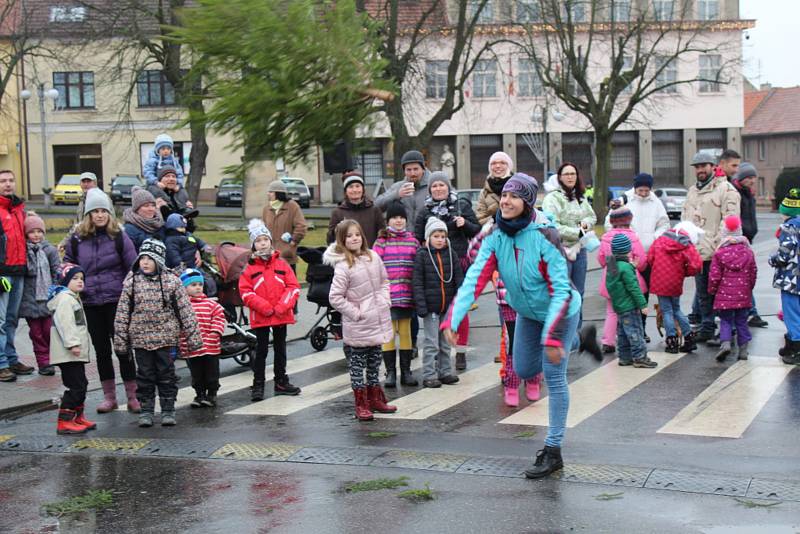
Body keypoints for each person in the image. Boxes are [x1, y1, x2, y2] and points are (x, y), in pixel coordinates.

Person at [443, 173, 601, 479]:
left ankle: (553, 451)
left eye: (514, 196)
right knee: (526, 369)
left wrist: (554, 338)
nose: (506, 200)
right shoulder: (496, 235)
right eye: (504, 196)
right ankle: (581, 340)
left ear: (527, 202)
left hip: (562, 309)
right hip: (528, 313)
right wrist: (454, 316)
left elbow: (561, 289)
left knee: (553, 375)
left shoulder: (545, 235)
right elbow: (475, 277)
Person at [64, 188, 140, 412]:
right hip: (89, 302)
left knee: (123, 348)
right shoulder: (77, 238)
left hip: (116, 300)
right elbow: (67, 265)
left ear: (109, 213)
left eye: (103, 211)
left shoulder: (119, 236)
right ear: (88, 214)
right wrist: (73, 281)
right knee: (102, 351)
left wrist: (129, 292)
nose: (99, 215)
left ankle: (133, 396)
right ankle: (110, 397)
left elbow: (133, 267)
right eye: (95, 211)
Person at [114, 239, 202, 427]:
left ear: (159, 260)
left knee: (166, 374)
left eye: (149, 258)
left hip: (166, 338)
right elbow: (122, 313)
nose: (144, 262)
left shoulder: (172, 282)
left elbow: (185, 310)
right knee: (145, 375)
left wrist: (193, 336)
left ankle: (168, 409)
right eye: (142, 258)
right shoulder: (132, 283)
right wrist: (121, 340)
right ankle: (146, 410)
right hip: (140, 339)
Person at [326, 219, 397, 421]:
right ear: (342, 240)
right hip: (358, 326)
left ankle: (376, 398)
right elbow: (335, 297)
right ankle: (361, 403)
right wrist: (356, 313)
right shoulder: (343, 266)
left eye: (357, 234)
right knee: (358, 367)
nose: (354, 238)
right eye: (349, 236)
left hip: (377, 321)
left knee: (375, 363)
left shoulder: (373, 256)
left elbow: (384, 281)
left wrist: (384, 301)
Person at [414, 171, 479, 369]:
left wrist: (464, 223)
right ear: (430, 189)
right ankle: (438, 351)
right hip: (433, 264)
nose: (438, 189)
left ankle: (460, 351)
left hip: (458, 260)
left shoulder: (461, 205)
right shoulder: (425, 211)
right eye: (434, 186)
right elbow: (418, 237)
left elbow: (476, 229)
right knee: (438, 306)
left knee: (460, 306)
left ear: (448, 187)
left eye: (442, 185)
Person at [681, 151, 741, 344]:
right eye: (697, 167)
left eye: (703, 166)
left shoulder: (725, 189)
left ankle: (726, 330)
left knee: (720, 293)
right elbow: (686, 218)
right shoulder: (692, 191)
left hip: (717, 251)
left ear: (713, 167)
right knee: (703, 294)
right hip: (697, 252)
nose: (700, 170)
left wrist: (719, 244)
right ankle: (707, 326)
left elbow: (730, 219)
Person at [239, 219, 302, 401]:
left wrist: (283, 306)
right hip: (262, 316)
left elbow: (293, 287)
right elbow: (245, 292)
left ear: (270, 242)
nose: (263, 243)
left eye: (265, 239)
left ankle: (281, 380)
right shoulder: (250, 268)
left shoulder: (282, 264)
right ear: (253, 245)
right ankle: (258, 383)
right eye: (258, 241)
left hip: (281, 314)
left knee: (281, 349)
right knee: (261, 351)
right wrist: (264, 307)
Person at [605, 173, 670, 340]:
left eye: (646, 190)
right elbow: (608, 222)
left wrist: (655, 238)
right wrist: (623, 237)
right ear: (635, 188)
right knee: (621, 292)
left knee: (642, 293)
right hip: (623, 254)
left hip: (646, 255)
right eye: (640, 190)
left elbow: (664, 224)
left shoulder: (656, 202)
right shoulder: (624, 200)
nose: (643, 193)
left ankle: (640, 328)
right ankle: (622, 330)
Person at [372, 201, 419, 388]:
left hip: (407, 295)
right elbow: (374, 269)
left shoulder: (413, 241)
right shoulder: (381, 242)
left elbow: (418, 267)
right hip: (388, 297)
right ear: (388, 220)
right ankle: (391, 372)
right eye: (394, 217)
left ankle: (406, 372)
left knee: (406, 332)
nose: (398, 221)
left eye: (401, 218)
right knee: (389, 334)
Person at [413, 217, 462, 388]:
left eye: (442, 236)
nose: (440, 239)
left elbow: (458, 278)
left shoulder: (451, 253)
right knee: (431, 342)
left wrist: (459, 302)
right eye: (436, 236)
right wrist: (421, 306)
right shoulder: (422, 255)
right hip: (431, 308)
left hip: (447, 307)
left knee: (445, 343)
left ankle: (445, 372)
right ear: (428, 238)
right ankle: (429, 374)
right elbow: (417, 282)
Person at [48, 263, 96, 435]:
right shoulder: (66, 299)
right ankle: (64, 422)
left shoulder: (73, 297)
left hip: (74, 353)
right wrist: (73, 344)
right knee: (76, 386)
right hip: (68, 353)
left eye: (82, 278)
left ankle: (77, 416)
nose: (80, 281)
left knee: (82, 384)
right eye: (75, 278)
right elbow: (65, 324)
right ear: (65, 280)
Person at [541, 162, 597, 301]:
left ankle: (577, 322)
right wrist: (578, 232)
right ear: (559, 177)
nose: (570, 177)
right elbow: (553, 226)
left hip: (580, 250)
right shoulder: (552, 198)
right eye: (566, 174)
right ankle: (565, 323)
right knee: (564, 295)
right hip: (560, 251)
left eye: (573, 174)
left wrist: (582, 227)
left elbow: (591, 216)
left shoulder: (580, 197)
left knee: (579, 293)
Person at [647, 222, 704, 353]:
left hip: (659, 280)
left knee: (666, 311)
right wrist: (685, 272)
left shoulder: (659, 241)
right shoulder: (686, 245)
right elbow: (696, 265)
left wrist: (657, 268)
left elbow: (650, 258)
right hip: (675, 281)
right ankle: (689, 337)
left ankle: (672, 342)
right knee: (676, 309)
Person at [597, 207, 647, 355]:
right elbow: (642, 260)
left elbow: (601, 259)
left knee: (611, 311)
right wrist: (638, 266)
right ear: (629, 220)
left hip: (611, 276)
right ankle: (633, 344)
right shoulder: (633, 237)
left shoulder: (606, 237)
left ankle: (608, 342)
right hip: (629, 274)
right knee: (631, 313)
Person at [0, 169, 34, 382]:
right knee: (1, 320)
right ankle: (1, 363)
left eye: (11, 180)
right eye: (3, 181)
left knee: (12, 319)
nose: (8, 184)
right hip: (2, 272)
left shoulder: (18, 209)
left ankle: (11, 359)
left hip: (19, 270)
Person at [708, 216, 757, 362]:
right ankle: (743, 351)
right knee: (742, 321)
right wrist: (749, 288)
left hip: (724, 294)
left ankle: (725, 344)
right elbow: (753, 273)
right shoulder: (748, 252)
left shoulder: (719, 253)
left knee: (726, 320)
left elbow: (714, 276)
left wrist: (712, 290)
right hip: (743, 294)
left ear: (724, 233)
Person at [605, 234, 657, 368]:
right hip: (630, 306)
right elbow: (634, 288)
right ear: (627, 250)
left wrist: (632, 267)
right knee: (635, 332)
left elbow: (617, 283)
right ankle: (640, 357)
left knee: (622, 333)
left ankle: (624, 357)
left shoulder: (612, 265)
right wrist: (643, 305)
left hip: (619, 306)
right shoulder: (625, 267)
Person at [179, 268, 227, 408]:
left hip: (210, 346)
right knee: (196, 373)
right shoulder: (183, 307)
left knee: (211, 372)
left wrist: (215, 332)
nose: (198, 288)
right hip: (192, 347)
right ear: (184, 288)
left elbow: (219, 317)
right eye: (193, 285)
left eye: (200, 285)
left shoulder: (211, 304)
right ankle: (199, 393)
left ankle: (211, 394)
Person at [20, 215, 60, 375]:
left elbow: (56, 271)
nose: (36, 235)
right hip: (30, 299)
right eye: (32, 232)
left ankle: (52, 358)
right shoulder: (23, 251)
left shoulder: (49, 250)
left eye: (39, 231)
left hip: (47, 299)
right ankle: (43, 363)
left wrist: (56, 292)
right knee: (36, 334)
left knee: (48, 332)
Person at [732, 162, 767, 328]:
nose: (753, 180)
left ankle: (698, 312)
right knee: (744, 279)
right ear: (742, 178)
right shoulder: (736, 193)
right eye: (750, 177)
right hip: (739, 240)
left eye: (754, 177)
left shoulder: (748, 193)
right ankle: (752, 312)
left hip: (746, 240)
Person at [770, 189, 800, 366]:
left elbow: (784, 254)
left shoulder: (789, 227)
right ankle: (790, 344)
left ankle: (796, 348)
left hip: (791, 279)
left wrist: (772, 259)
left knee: (791, 313)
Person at [327, 171, 385, 247]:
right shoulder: (337, 212)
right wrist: (337, 230)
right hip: (346, 256)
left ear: (363, 189)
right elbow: (330, 241)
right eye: (350, 187)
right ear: (345, 191)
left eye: (357, 186)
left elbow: (383, 234)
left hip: (370, 255)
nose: (354, 190)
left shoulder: (374, 210)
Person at [261, 180, 308, 273]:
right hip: (269, 255)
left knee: (289, 284)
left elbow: (301, 226)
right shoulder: (267, 209)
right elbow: (262, 228)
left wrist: (293, 241)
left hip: (286, 255)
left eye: (271, 192)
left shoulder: (292, 206)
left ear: (278, 193)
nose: (268, 194)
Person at [375, 150, 430, 226]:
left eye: (416, 169)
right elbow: (376, 206)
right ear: (404, 171)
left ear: (423, 169)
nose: (412, 173)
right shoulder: (398, 187)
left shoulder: (435, 186)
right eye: (408, 170)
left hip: (428, 236)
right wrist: (397, 194)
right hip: (403, 236)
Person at [476, 151, 514, 225]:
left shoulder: (519, 186)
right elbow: (480, 219)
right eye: (493, 163)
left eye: (502, 163)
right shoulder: (484, 193)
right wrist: (494, 219)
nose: (498, 166)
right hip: (494, 233)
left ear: (509, 166)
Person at [123, 186, 165, 252]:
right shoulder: (129, 229)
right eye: (146, 206)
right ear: (137, 209)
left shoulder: (160, 223)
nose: (151, 209)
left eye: (153, 205)